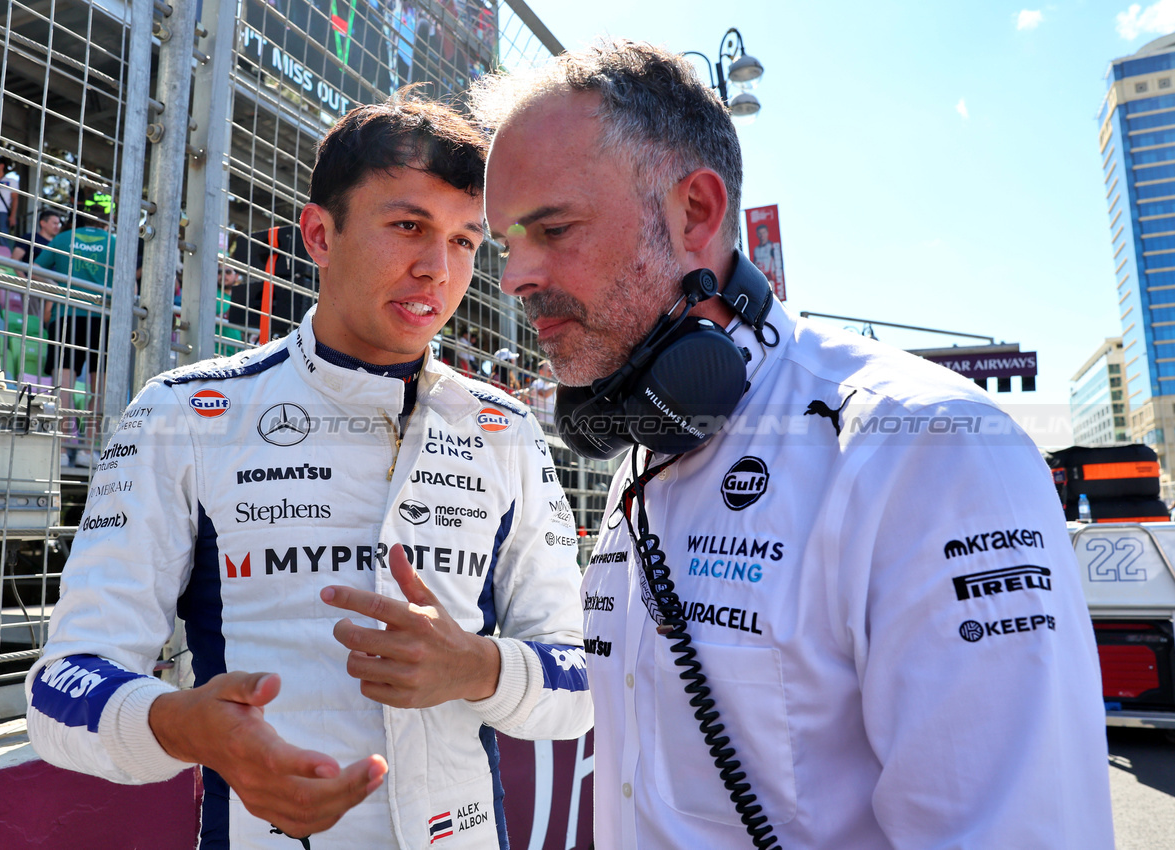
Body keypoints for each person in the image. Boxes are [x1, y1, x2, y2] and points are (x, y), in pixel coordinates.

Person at [471, 40, 1113, 849]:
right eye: (505, 243)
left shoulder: (926, 448)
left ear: (695, 213)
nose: (515, 276)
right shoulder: (651, 438)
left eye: (552, 227)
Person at [25, 92, 592, 849]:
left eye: (463, 241)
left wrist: (481, 669)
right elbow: (61, 688)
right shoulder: (183, 414)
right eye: (407, 226)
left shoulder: (506, 430)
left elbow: (582, 682)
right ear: (319, 234)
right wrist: (180, 725)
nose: (436, 269)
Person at [36, 192, 116, 443]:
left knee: (64, 383)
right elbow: (131, 288)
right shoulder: (114, 243)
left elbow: (33, 269)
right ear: (107, 220)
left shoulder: (63, 238)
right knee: (99, 387)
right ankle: (89, 450)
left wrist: (58, 289)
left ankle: (61, 447)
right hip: (102, 318)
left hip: (66, 314)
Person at [751, 223, 783, 291]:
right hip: (760, 278)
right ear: (757, 234)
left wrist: (775, 274)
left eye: (763, 232)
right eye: (760, 233)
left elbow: (778, 261)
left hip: (770, 276)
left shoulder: (772, 247)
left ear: (767, 233)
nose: (762, 235)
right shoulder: (756, 249)